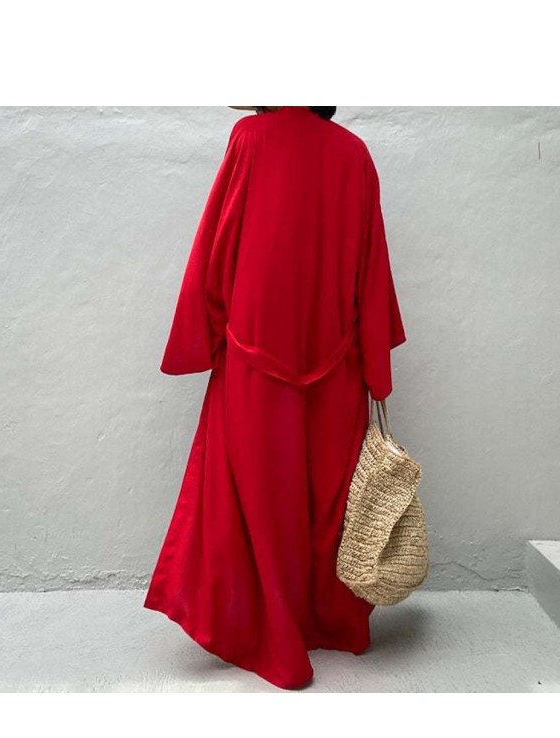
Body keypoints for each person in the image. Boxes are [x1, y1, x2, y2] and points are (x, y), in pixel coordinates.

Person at [143, 106, 407, 690]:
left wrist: (207, 331)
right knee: (330, 504)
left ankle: (281, 644)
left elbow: (219, 242)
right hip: (339, 363)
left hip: (254, 359)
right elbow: (372, 264)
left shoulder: (251, 139)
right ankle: (335, 624)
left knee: (259, 506)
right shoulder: (354, 154)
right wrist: (376, 367)